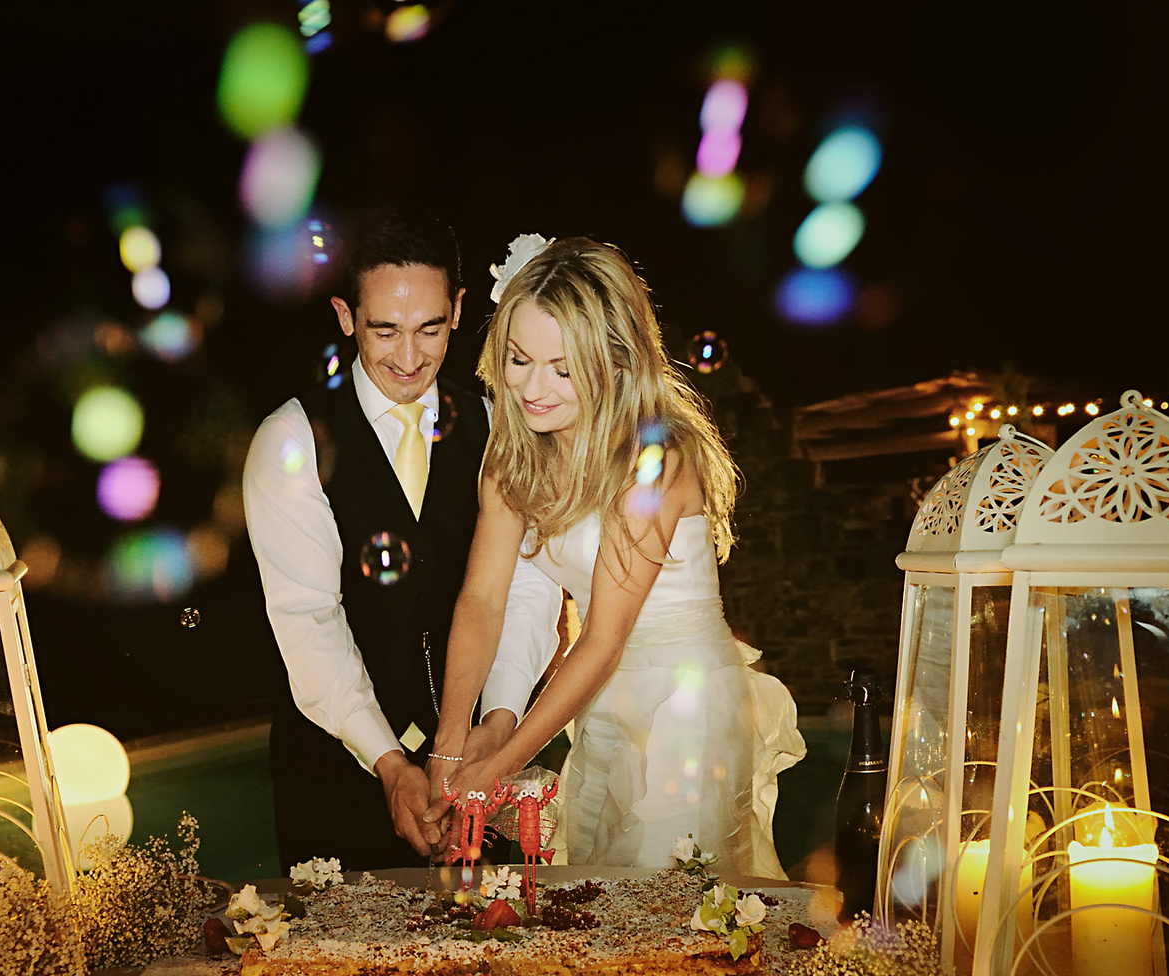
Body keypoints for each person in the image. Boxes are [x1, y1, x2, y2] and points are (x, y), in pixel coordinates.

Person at [422, 235, 804, 876]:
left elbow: (602, 638)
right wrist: (450, 743)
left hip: (686, 702)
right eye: (519, 360)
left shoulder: (655, 460)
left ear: (617, 361)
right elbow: (483, 599)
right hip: (600, 694)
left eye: (563, 369)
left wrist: (500, 762)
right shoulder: (514, 456)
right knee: (597, 890)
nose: (533, 388)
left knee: (667, 902)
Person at [244, 209, 561, 871]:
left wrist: (499, 721)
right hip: (333, 778)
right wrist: (389, 763)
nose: (410, 358)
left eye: (432, 328)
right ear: (343, 315)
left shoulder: (499, 423)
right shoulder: (292, 440)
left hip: (476, 773)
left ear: (460, 308)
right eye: (384, 330)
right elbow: (308, 618)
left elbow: (527, 585)